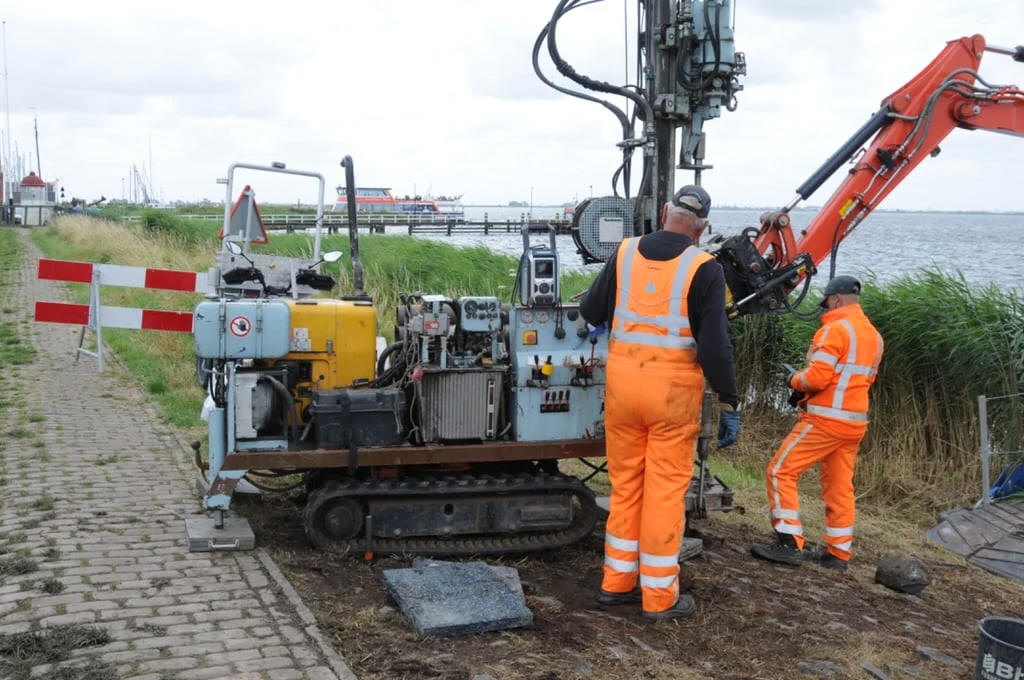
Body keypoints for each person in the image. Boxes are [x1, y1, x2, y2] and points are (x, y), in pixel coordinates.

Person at [581, 185, 740, 620]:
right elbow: (714, 348)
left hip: (623, 391)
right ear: (702, 227)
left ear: (666, 211)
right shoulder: (704, 268)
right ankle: (658, 598)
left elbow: (592, 313)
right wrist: (729, 399)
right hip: (670, 398)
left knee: (626, 487)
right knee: (665, 495)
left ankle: (615, 584)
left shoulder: (626, 252)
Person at [750, 275, 884, 571]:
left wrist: (792, 379)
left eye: (826, 303)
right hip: (854, 424)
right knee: (839, 486)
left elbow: (816, 378)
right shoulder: (874, 336)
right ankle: (838, 554)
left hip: (825, 421)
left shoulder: (834, 331)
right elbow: (864, 379)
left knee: (779, 471)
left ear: (836, 300)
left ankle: (788, 543)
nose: (824, 308)